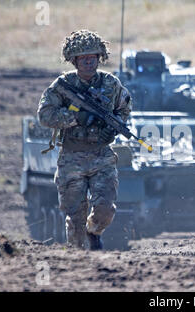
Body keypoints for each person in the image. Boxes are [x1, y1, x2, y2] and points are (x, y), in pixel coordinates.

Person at [37, 30, 132, 250]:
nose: (89, 61)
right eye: (83, 58)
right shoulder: (63, 86)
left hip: (102, 155)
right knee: (75, 217)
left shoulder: (111, 84)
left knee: (105, 209)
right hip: (71, 157)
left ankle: (94, 231)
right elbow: (45, 115)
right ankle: (78, 261)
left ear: (100, 58)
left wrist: (113, 126)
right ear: (74, 60)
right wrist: (74, 117)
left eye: (93, 57)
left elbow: (124, 108)